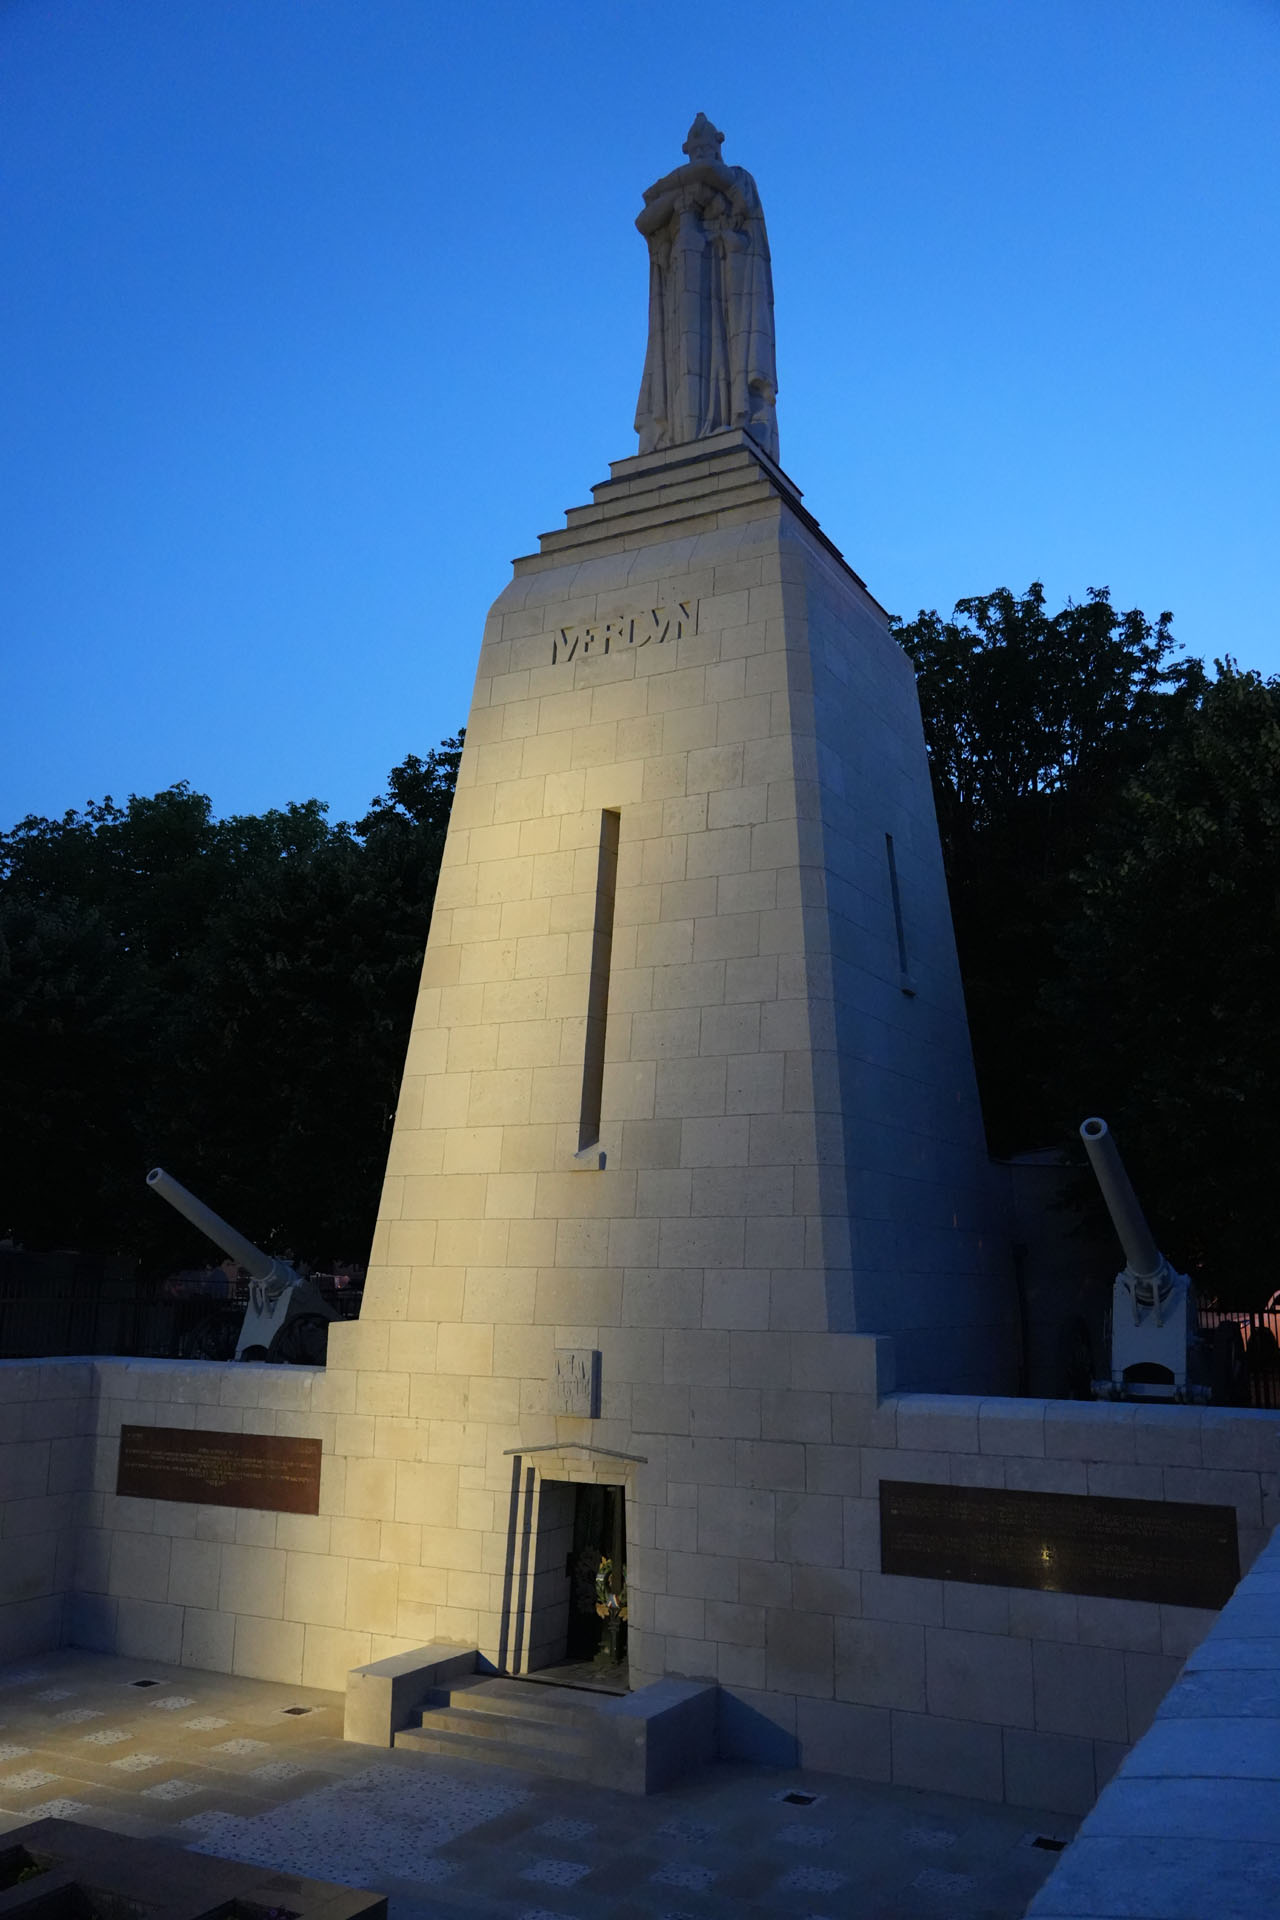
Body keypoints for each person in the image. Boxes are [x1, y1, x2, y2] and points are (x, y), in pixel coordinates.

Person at [634, 114, 779, 463]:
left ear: (718, 145)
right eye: (694, 149)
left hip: (725, 287)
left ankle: (728, 421)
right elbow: (643, 219)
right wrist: (679, 195)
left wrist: (677, 186)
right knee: (681, 358)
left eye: (706, 147)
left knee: (722, 361)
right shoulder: (681, 197)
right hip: (684, 289)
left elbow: (716, 177)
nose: (700, 154)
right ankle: (679, 434)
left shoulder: (740, 179)